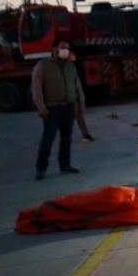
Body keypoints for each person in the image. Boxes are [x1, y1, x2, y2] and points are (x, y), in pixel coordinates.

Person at [32, 39, 87, 179]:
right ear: (54, 48)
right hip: (52, 109)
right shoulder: (43, 65)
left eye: (67, 48)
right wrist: (41, 107)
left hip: (69, 107)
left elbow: (77, 86)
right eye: (62, 47)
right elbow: (36, 88)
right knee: (48, 139)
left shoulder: (70, 66)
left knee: (66, 138)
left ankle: (65, 165)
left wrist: (81, 104)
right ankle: (41, 168)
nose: (65, 50)